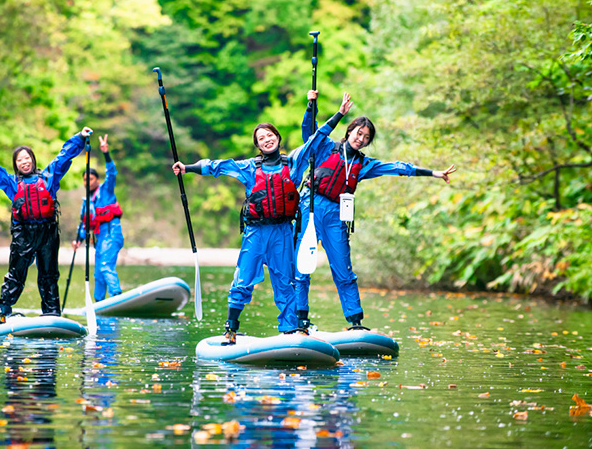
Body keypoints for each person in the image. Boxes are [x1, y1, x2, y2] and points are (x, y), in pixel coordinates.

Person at [294, 90, 456, 331]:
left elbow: (399, 168)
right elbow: (310, 130)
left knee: (343, 268)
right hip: (311, 206)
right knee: (302, 265)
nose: (361, 139)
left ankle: (355, 322)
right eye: (358, 133)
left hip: (337, 214)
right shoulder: (324, 146)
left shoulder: (364, 164)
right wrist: (312, 104)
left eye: (366, 137)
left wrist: (433, 173)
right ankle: (300, 320)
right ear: (349, 132)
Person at [0, 127, 93, 322]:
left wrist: (80, 137)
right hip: (23, 233)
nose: (24, 162)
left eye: (27, 158)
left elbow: (64, 155)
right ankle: (3, 310)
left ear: (33, 159)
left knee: (49, 275)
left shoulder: (49, 176)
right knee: (16, 274)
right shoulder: (11, 183)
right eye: (20, 160)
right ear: (16, 164)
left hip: (48, 232)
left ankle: (52, 313)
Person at [172, 123, 303, 344]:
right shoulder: (250, 167)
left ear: (278, 137)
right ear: (258, 145)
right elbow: (218, 166)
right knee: (243, 280)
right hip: (256, 233)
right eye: (261, 138)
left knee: (286, 282)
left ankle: (290, 330)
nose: (267, 139)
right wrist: (188, 168)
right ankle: (231, 328)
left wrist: (321, 109)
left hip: (282, 231)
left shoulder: (292, 164)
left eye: (270, 135)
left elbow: (314, 141)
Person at [72, 134, 125, 301]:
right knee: (98, 273)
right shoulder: (86, 202)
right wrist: (78, 240)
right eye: (85, 179)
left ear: (97, 179)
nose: (88, 182)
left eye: (91, 178)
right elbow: (84, 224)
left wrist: (106, 153)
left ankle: (116, 296)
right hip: (99, 238)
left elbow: (112, 173)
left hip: (111, 233)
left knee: (105, 266)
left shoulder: (106, 190)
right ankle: (100, 302)